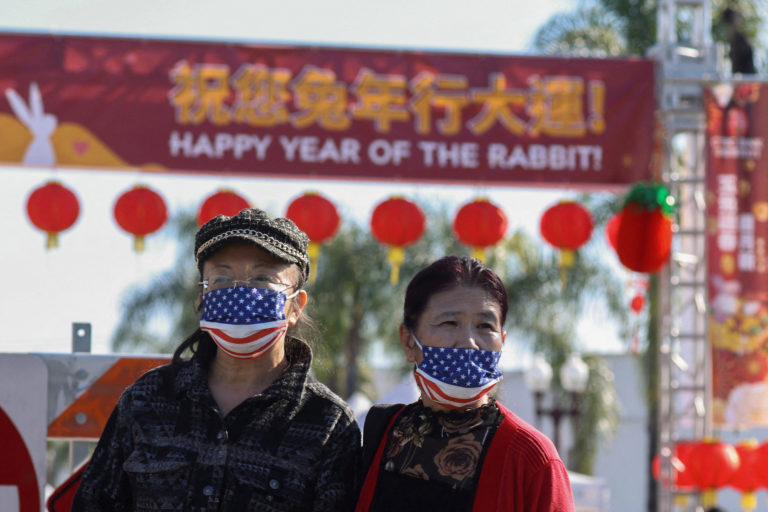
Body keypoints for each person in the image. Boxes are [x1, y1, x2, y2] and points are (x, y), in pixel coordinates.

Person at [73, 208, 361, 511]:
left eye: (262, 279)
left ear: (295, 307)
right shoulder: (147, 400)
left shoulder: (327, 423)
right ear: (202, 298)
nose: (241, 293)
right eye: (221, 279)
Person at [355, 256, 574, 512]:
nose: (469, 342)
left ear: (501, 341)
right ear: (408, 341)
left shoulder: (532, 458)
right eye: (449, 323)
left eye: (485, 326)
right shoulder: (383, 432)